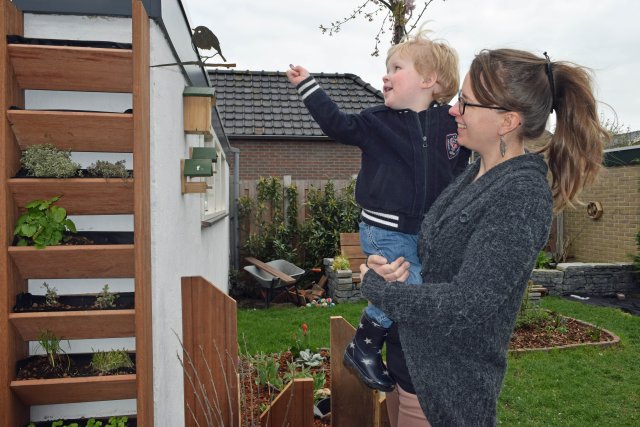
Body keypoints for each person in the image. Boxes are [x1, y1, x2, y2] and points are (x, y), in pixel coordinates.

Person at [360, 48, 609, 426]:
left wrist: (381, 292)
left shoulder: (520, 195)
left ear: (507, 121)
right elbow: (441, 265)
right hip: (408, 366)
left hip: (442, 390)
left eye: (466, 102)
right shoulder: (474, 173)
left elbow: (468, 303)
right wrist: (395, 270)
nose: (454, 110)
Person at [286, 30, 470, 392]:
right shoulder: (376, 122)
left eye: (396, 67)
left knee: (424, 285)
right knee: (410, 283)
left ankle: (394, 350)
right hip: (385, 229)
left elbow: (464, 171)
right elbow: (337, 124)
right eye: (385, 68)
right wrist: (309, 86)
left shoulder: (451, 126)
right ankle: (366, 343)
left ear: (428, 80)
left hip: (425, 230)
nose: (385, 75)